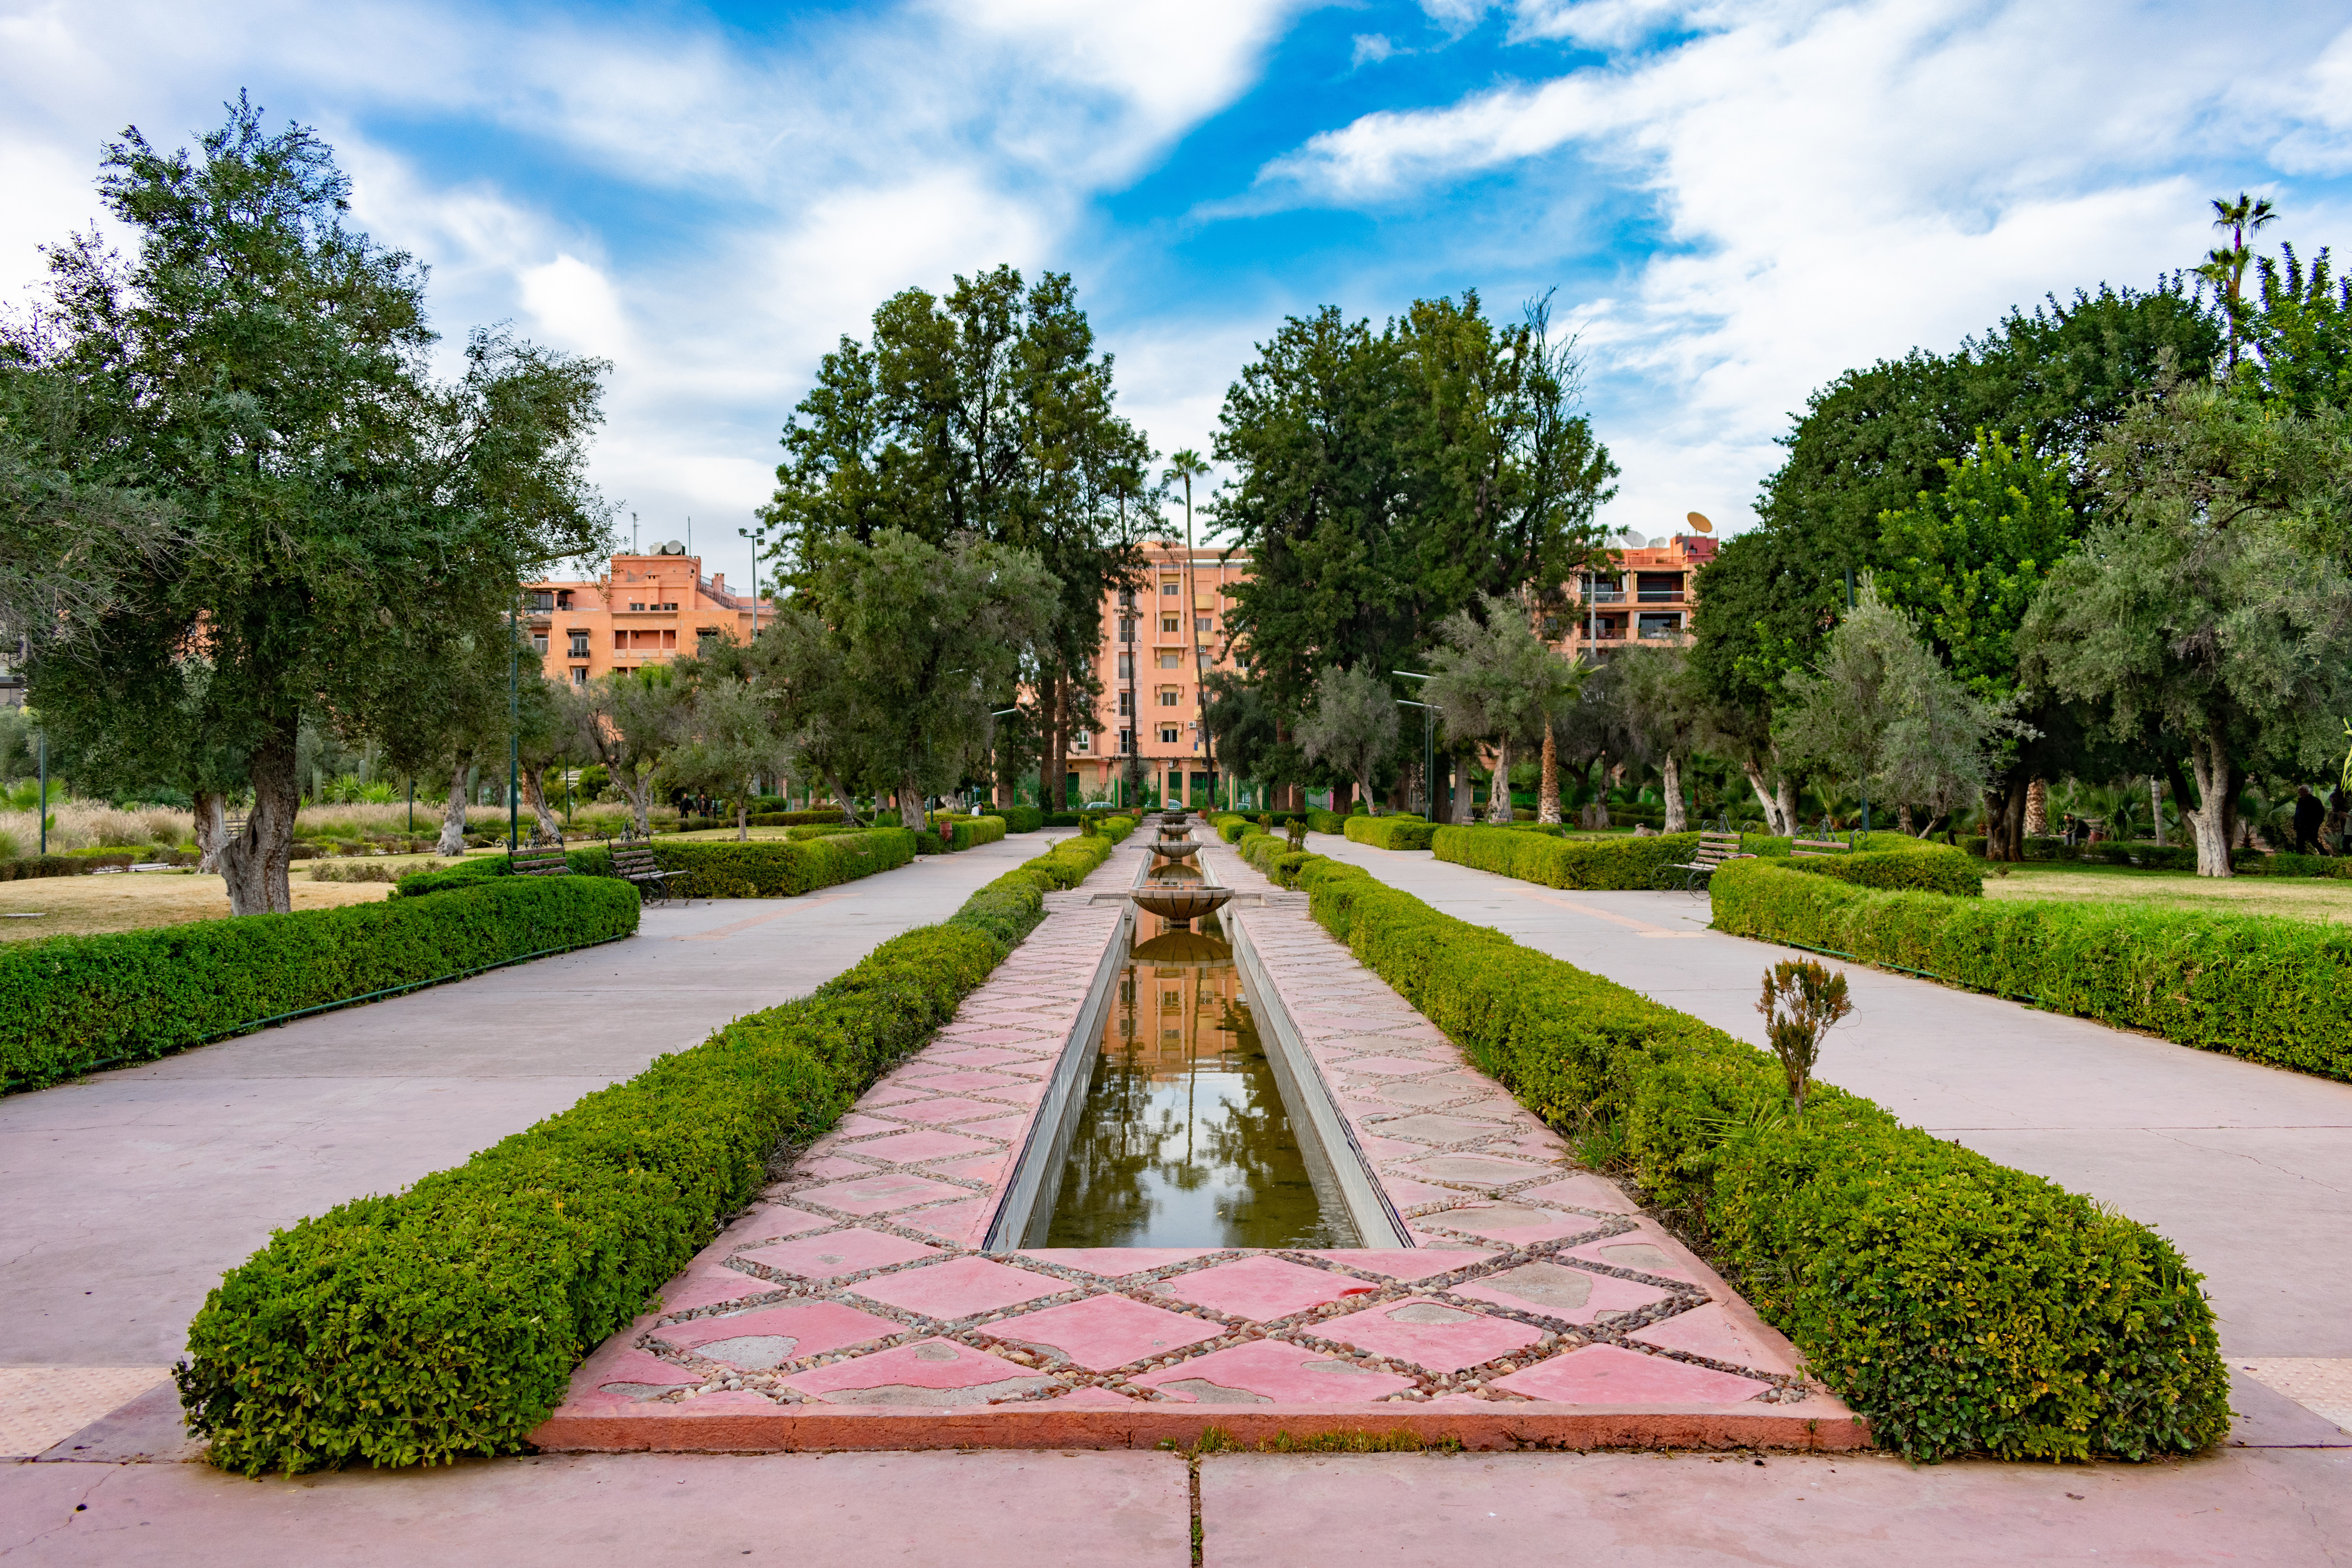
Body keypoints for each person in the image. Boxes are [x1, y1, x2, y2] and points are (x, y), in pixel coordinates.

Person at [2294, 784, 2326, 855]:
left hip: (2311, 826)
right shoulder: (2300, 801)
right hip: (2301, 826)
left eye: (2301, 791)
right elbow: (2297, 814)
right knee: (2299, 843)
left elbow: (2321, 813)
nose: (2300, 793)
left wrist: (2316, 824)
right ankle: (2300, 857)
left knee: (2314, 842)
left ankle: (2325, 855)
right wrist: (2296, 825)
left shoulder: (2315, 801)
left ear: (2306, 792)